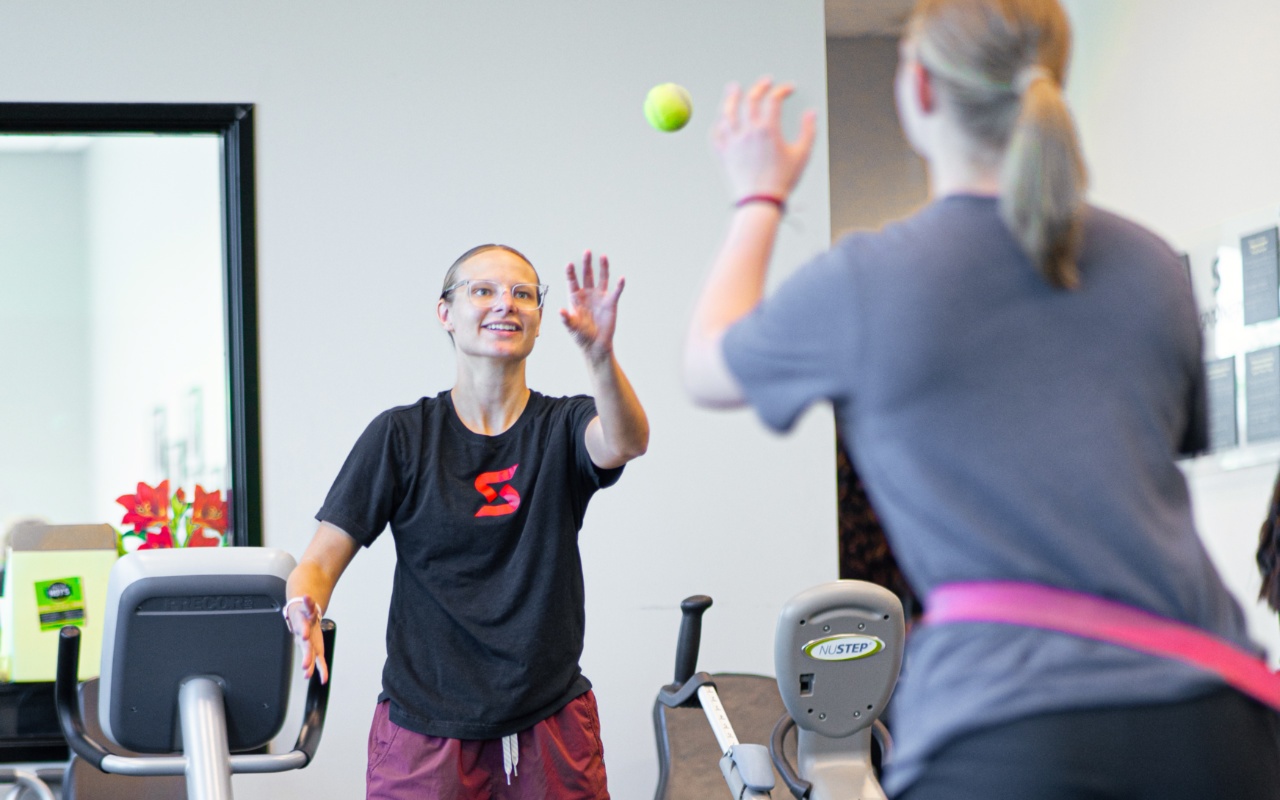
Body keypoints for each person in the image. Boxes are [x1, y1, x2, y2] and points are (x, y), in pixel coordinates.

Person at [683, 0, 1280, 797]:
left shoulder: (873, 279)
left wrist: (758, 197)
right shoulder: (1149, 266)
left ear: (920, 90)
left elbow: (707, 365)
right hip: (1218, 719)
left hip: (1013, 729)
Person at [286, 244, 648, 799]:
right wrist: (302, 604)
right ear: (445, 313)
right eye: (484, 290)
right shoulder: (402, 436)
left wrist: (601, 358)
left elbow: (625, 441)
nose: (506, 303)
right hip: (424, 729)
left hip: (549, 720)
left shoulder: (564, 424)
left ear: (538, 319)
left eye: (523, 293)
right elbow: (317, 563)